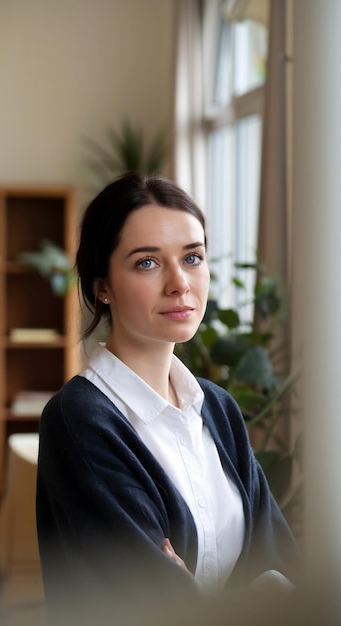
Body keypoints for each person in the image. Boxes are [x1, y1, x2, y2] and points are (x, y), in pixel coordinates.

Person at [36, 171, 298, 625]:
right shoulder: (78, 420)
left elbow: (287, 568)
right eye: (147, 263)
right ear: (102, 286)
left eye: (192, 257)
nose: (180, 283)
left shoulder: (217, 408)